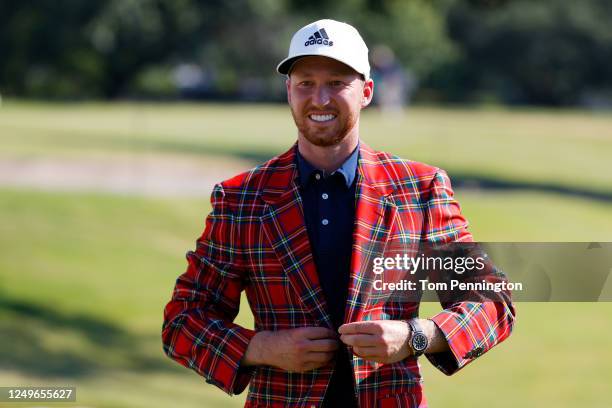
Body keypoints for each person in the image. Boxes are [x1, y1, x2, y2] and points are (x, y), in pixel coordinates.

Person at [162, 19, 515, 408]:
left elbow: (493, 301)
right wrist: (262, 347)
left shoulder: (421, 189)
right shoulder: (241, 199)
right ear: (288, 91)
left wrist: (416, 335)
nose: (320, 99)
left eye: (336, 83)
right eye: (306, 83)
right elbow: (183, 321)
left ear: (366, 92)